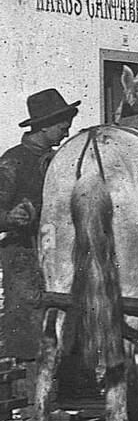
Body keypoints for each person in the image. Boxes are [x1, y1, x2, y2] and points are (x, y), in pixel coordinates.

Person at [0, 89, 80, 362]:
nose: (66, 134)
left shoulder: (61, 162)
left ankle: (60, 384)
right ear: (44, 126)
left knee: (62, 314)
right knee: (26, 315)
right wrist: (9, 217)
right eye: (62, 128)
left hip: (56, 250)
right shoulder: (13, 162)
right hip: (23, 253)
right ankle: (27, 389)